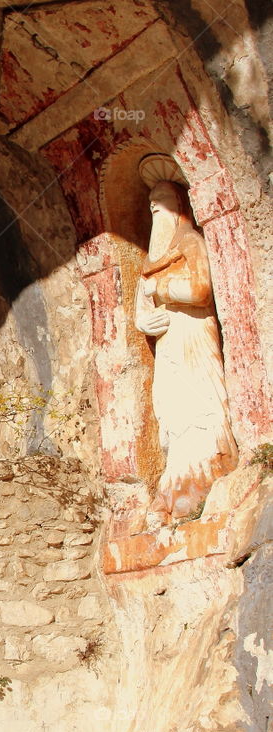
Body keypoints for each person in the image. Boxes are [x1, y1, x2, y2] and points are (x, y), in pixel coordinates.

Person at [133, 157, 238, 521]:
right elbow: (140, 311)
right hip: (169, 344)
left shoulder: (191, 242)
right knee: (172, 408)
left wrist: (161, 287)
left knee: (202, 400)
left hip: (194, 333)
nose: (156, 211)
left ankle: (209, 472)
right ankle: (176, 483)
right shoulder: (150, 261)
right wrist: (147, 321)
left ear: (179, 208)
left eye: (163, 204)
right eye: (151, 206)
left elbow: (200, 289)